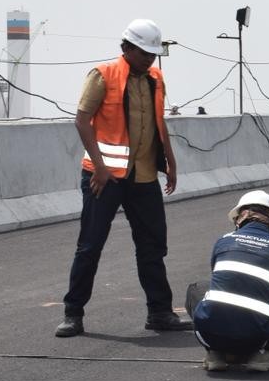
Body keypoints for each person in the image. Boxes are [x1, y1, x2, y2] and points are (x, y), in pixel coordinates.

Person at [55, 19, 190, 337]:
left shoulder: (156, 79)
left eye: (153, 54)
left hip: (143, 177)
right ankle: (73, 313)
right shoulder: (102, 75)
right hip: (105, 178)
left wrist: (170, 161)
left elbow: (159, 123)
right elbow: (82, 121)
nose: (150, 59)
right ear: (126, 48)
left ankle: (159, 312)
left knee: (153, 246)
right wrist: (100, 167)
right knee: (90, 246)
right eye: (144, 53)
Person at [190, 190, 269, 372]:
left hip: (208, 334)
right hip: (254, 338)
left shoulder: (223, 241)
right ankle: (259, 354)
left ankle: (214, 353)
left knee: (198, 289)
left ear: (241, 217)